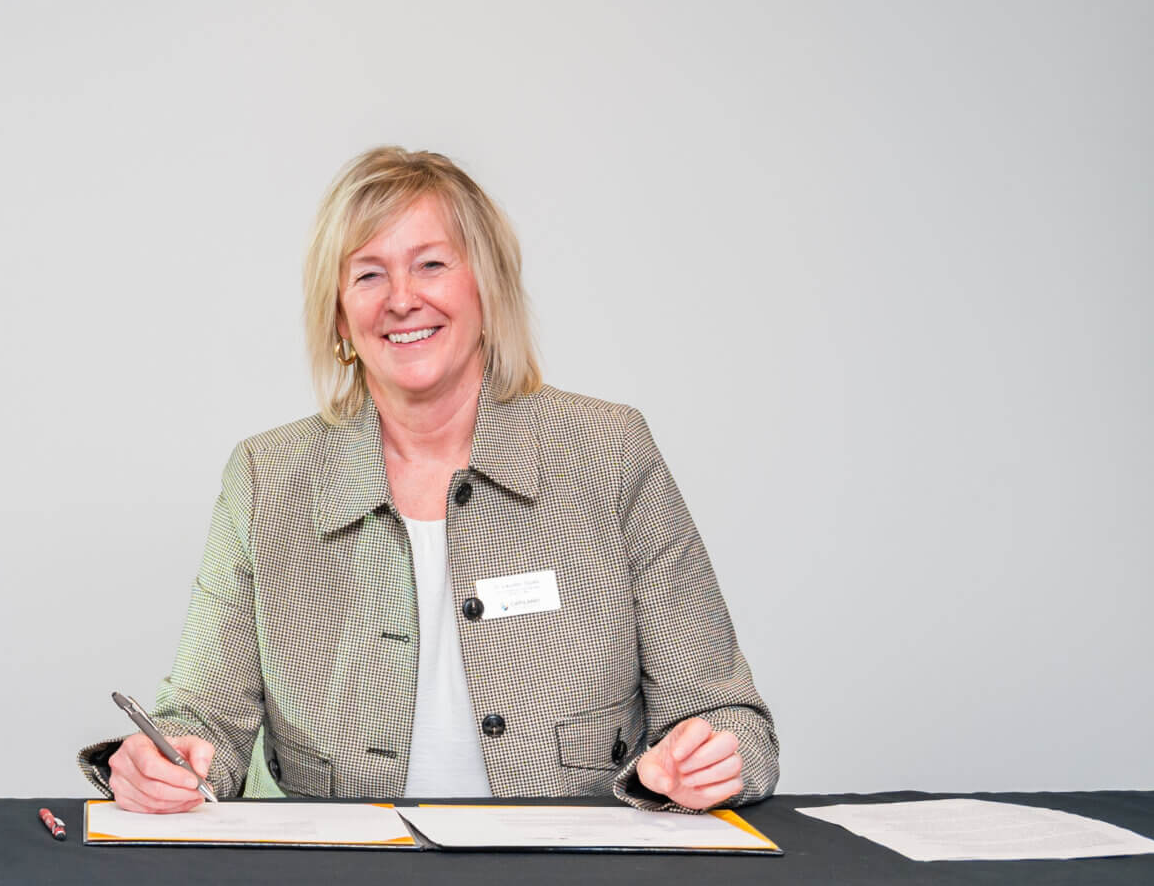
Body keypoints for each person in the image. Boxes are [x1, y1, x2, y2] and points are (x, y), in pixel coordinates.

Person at [88, 146, 775, 814]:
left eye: (432, 265)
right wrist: (162, 763)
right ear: (340, 319)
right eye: (368, 275)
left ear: (487, 286)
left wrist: (699, 763)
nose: (402, 299)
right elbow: (204, 728)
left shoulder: (611, 452)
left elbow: (732, 722)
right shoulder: (266, 479)